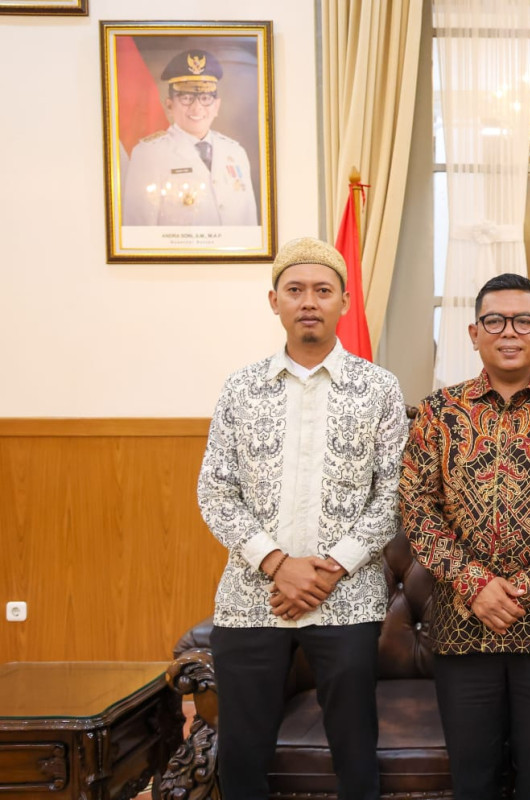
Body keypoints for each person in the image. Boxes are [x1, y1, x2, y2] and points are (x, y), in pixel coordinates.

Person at [197, 237, 407, 800]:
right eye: (295, 290)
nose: (308, 301)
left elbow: (392, 494)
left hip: (348, 599)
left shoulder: (379, 389)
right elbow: (215, 491)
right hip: (250, 600)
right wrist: (277, 564)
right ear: (274, 301)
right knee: (241, 752)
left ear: (343, 301)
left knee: (355, 749)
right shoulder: (241, 389)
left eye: (322, 290)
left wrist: (324, 572)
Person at [398, 273, 530, 800]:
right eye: (494, 320)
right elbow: (417, 508)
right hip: (461, 624)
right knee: (473, 776)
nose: (508, 332)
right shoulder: (438, 413)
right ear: (474, 333)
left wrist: (521, 590)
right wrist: (476, 585)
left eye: (523, 321)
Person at [123, 49, 258, 226]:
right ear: (169, 105)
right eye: (186, 98)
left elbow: (249, 225)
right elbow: (139, 229)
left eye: (205, 98)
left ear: (216, 106)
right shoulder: (149, 154)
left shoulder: (235, 152)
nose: (196, 108)